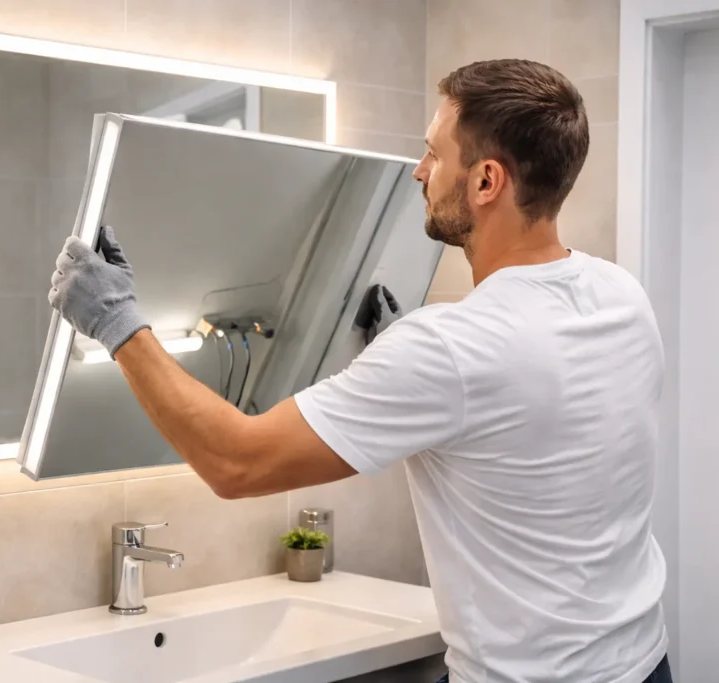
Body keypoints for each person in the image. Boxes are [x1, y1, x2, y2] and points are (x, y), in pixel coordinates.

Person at [48, 59, 672, 683]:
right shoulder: (621, 295)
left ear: (486, 181)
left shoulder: (451, 348)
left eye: (434, 153)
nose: (420, 171)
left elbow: (237, 462)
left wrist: (116, 321)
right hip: (645, 664)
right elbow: (537, 427)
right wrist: (405, 358)